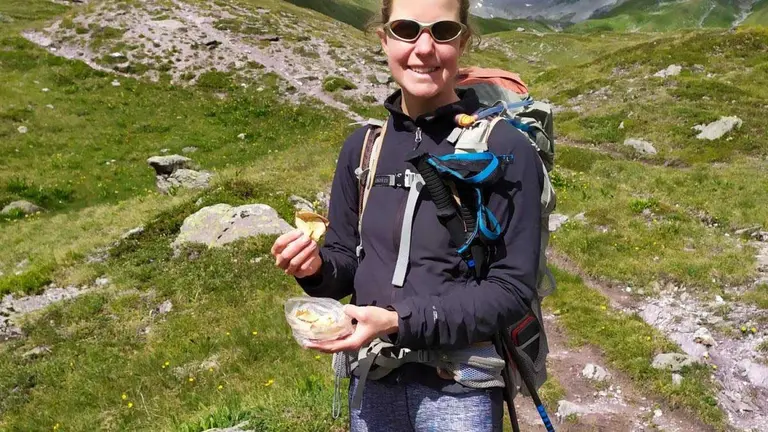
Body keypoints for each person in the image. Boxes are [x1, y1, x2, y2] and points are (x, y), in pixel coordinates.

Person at [270, 0, 544, 430]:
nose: (424, 47)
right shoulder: (362, 149)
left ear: (464, 40)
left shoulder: (506, 149)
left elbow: (510, 290)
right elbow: (345, 261)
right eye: (406, 29)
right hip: (372, 381)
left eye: (443, 31)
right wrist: (315, 267)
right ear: (384, 38)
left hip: (460, 390)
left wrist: (400, 322)